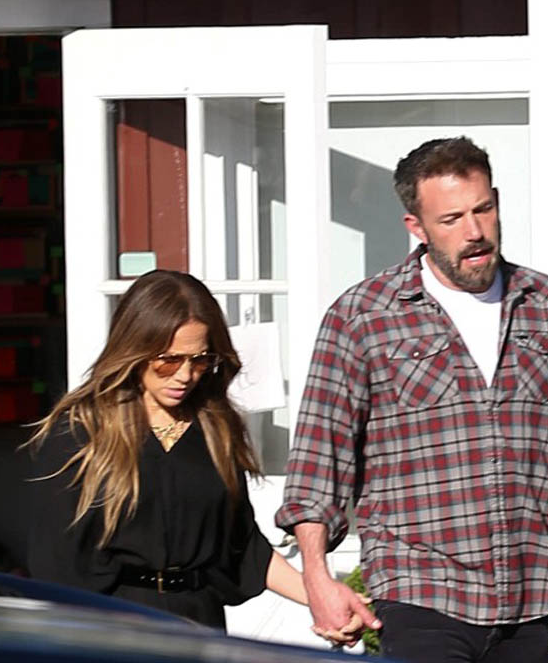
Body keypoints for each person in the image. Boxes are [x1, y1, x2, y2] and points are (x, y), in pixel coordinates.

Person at [275, 137, 548, 663]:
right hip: (419, 588)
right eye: (451, 219)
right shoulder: (363, 316)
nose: (474, 231)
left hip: (526, 590)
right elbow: (318, 458)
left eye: (483, 209)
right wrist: (316, 576)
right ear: (417, 226)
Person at [25, 269, 364, 640]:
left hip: (199, 625)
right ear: (134, 350)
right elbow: (53, 562)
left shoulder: (215, 430)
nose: (185, 375)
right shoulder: (82, 433)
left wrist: (325, 601)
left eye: (200, 360)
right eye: (169, 360)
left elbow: (244, 549)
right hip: (112, 630)